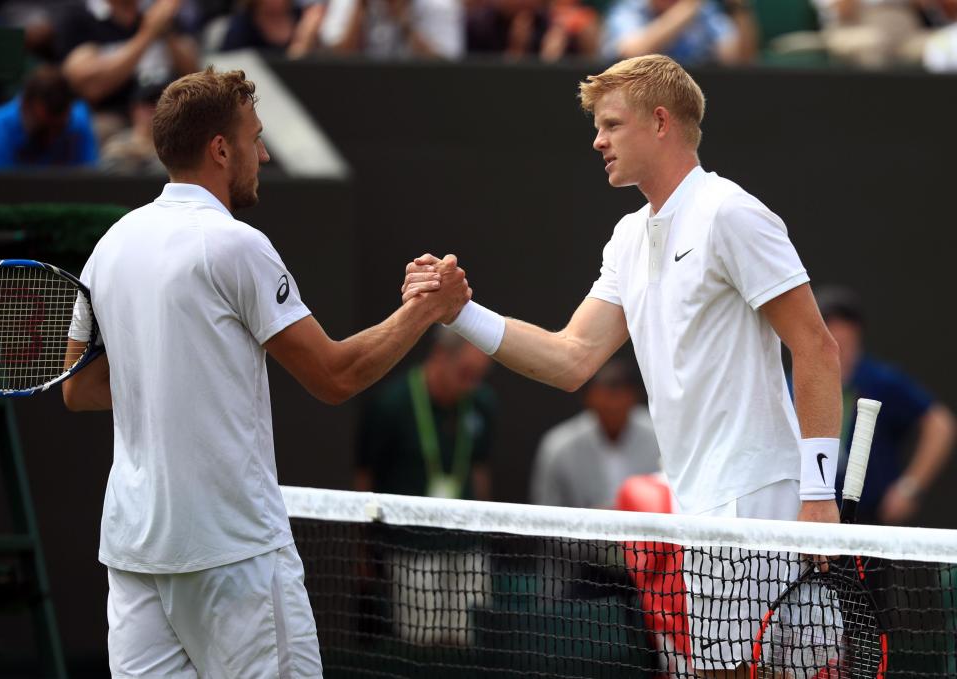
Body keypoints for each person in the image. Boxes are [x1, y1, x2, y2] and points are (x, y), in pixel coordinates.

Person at [404, 55, 842, 677]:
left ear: (660, 122)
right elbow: (571, 358)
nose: (597, 140)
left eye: (611, 124)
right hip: (697, 506)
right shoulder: (629, 238)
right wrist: (461, 312)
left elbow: (817, 347)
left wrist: (819, 493)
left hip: (761, 494)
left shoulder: (730, 213)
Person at [61, 66, 470, 676]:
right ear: (220, 149)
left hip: (135, 554)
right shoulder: (237, 244)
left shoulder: (110, 246)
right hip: (234, 555)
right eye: (255, 137)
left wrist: (175, 371)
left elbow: (79, 389)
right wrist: (424, 310)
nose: (265, 151)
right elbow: (335, 376)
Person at [816, 286, 956, 525]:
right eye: (827, 322)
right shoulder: (796, 383)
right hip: (813, 519)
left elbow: (940, 424)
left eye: (844, 324)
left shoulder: (882, 381)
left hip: (869, 522)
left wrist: (910, 487)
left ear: (857, 332)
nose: (837, 333)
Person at [355, 326, 495, 500]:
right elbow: (365, 474)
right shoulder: (392, 404)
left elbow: (479, 469)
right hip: (399, 523)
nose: (471, 386)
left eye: (478, 377)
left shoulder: (481, 403)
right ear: (440, 353)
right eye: (465, 374)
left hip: (459, 523)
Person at [58, 0, 200, 141]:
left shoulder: (159, 11)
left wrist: (167, 30)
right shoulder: (81, 16)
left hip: (171, 112)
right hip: (115, 116)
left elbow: (194, 75)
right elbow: (89, 86)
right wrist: (147, 34)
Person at [529, 358, 660, 508]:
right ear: (588, 398)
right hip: (578, 529)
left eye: (618, 393)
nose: (613, 404)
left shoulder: (660, 439)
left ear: (634, 396)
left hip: (651, 529)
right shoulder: (559, 446)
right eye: (606, 395)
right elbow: (546, 509)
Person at [0, 64, 98, 168]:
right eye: (43, 130)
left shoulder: (77, 122)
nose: (52, 139)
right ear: (24, 106)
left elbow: (89, 178)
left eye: (60, 129)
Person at [600, 0, 748, 65]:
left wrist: (736, 7)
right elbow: (631, 54)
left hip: (693, 100)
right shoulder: (629, 10)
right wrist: (686, 9)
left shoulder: (704, 11)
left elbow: (733, 58)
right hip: (640, 99)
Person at [99, 81, 165, 174]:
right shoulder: (117, 144)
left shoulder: (172, 147)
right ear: (134, 109)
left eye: (160, 103)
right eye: (149, 104)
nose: (154, 110)